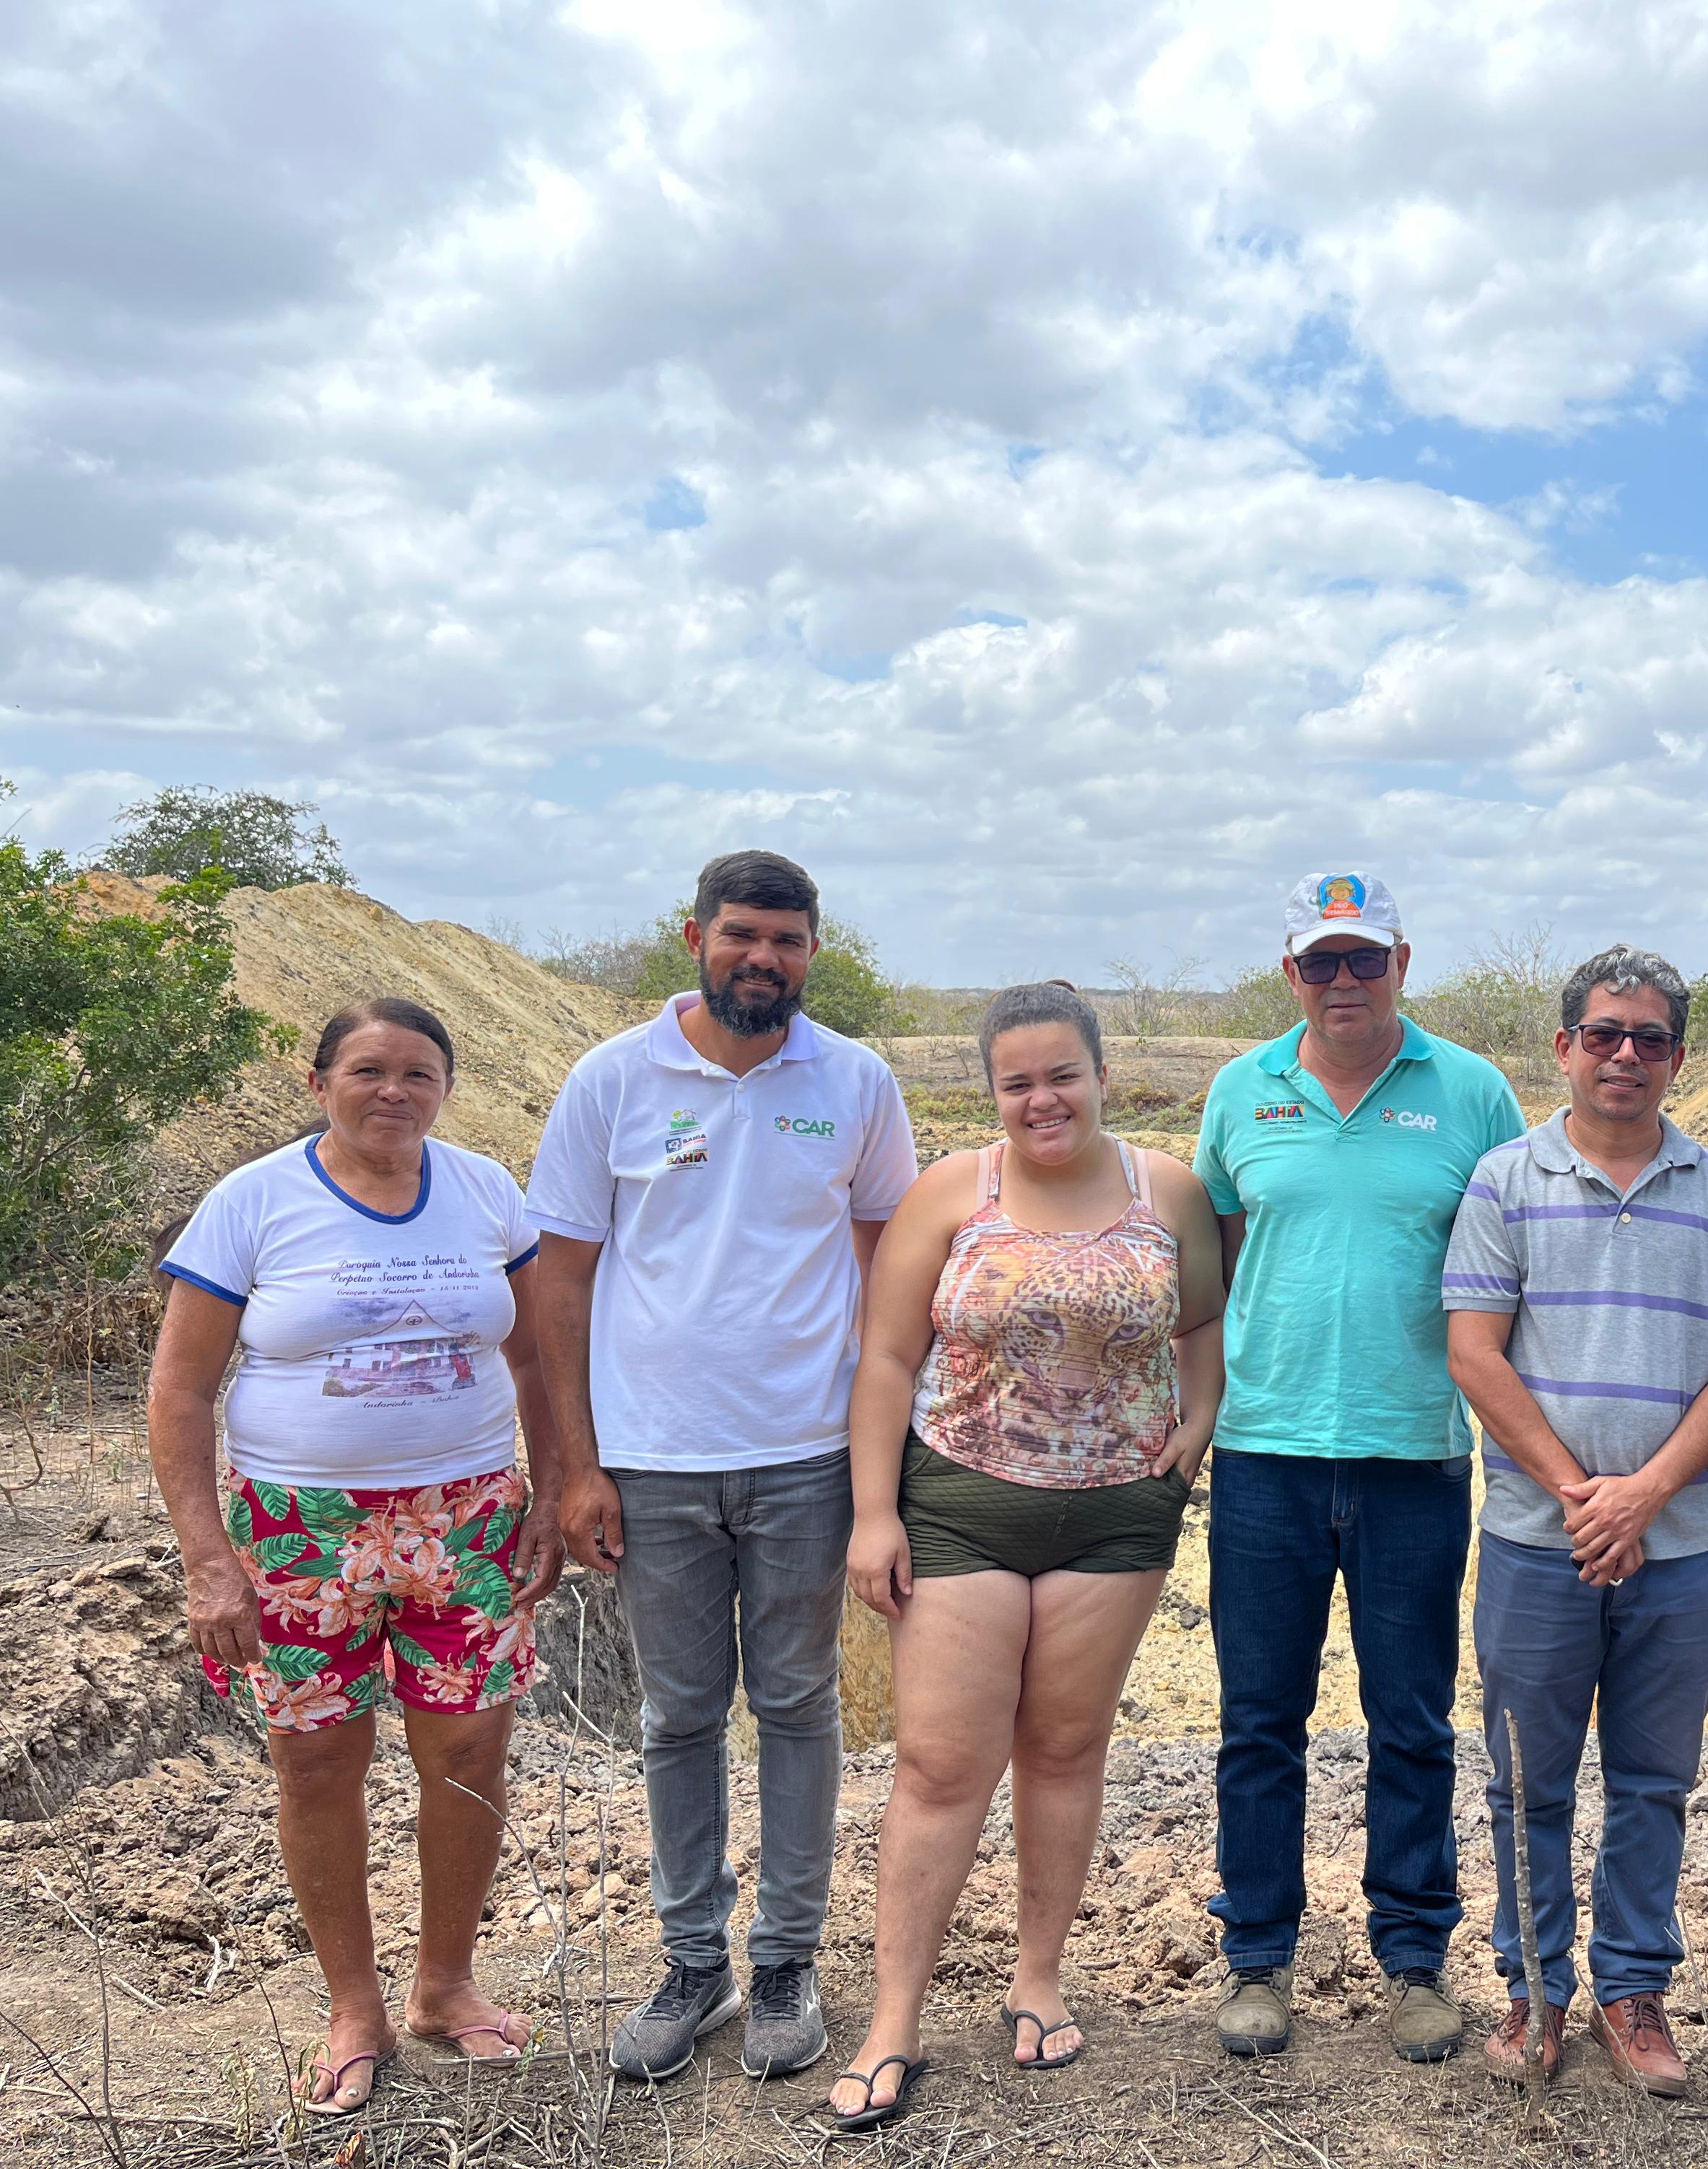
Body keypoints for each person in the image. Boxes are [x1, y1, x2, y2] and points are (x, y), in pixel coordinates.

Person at [527, 850, 918, 2085]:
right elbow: (560, 1283)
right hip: (653, 1461)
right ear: (693, 935)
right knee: (680, 1714)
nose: (764, 958)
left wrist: (883, 1466)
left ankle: (787, 1959)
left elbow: (890, 1272)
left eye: (787, 940)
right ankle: (695, 1960)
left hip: (806, 1456)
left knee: (799, 1704)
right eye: (742, 933)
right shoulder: (612, 1078)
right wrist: (576, 1467)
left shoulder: (854, 1080)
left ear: (813, 951)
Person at [145, 1000, 563, 2116]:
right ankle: (354, 2007)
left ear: (446, 1089)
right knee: (318, 1762)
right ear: (319, 1080)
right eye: (369, 1070)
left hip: (469, 1519)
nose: (394, 1091)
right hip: (298, 1530)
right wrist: (208, 1558)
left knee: (468, 1751)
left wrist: (555, 1488)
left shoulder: (485, 1191)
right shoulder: (253, 1202)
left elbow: (535, 1360)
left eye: (419, 1073)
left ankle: (446, 1985)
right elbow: (180, 1390)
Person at [820, 985, 1224, 2131]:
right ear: (992, 1091)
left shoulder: (1168, 1191)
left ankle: (1037, 1978)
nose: (1043, 1100)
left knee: (1063, 1748)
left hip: (1117, 1518)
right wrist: (873, 1514)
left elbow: (1202, 1321)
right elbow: (886, 1357)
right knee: (941, 1766)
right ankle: (894, 2018)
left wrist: (1196, 1424)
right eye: (1018, 1083)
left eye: (1062, 1076)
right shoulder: (954, 1193)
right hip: (961, 1504)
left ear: (1102, 1075)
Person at [1195, 869, 1525, 2063]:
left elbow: (1510, 1260)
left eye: (1364, 957)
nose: (1344, 980)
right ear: (1290, 971)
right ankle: (1258, 1955)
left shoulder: (1472, 1092)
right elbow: (1227, 1254)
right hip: (1264, 1454)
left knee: (1412, 1719)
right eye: (1320, 961)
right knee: (1258, 1719)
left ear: (1401, 962)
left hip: (1414, 1454)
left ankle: (1415, 1957)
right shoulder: (1241, 1090)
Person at [1443, 946, 1708, 2093]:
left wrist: (1646, 1494)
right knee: (1525, 1780)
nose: (1625, 1055)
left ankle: (1634, 1995)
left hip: (1676, 1546)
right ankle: (1534, 1993)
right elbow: (1475, 1353)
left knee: (1654, 1781)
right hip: (1538, 1540)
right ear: (1565, 1047)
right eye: (1603, 1034)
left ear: (1678, 1055)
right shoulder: (1504, 1181)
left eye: (1649, 1038)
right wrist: (1581, 1493)